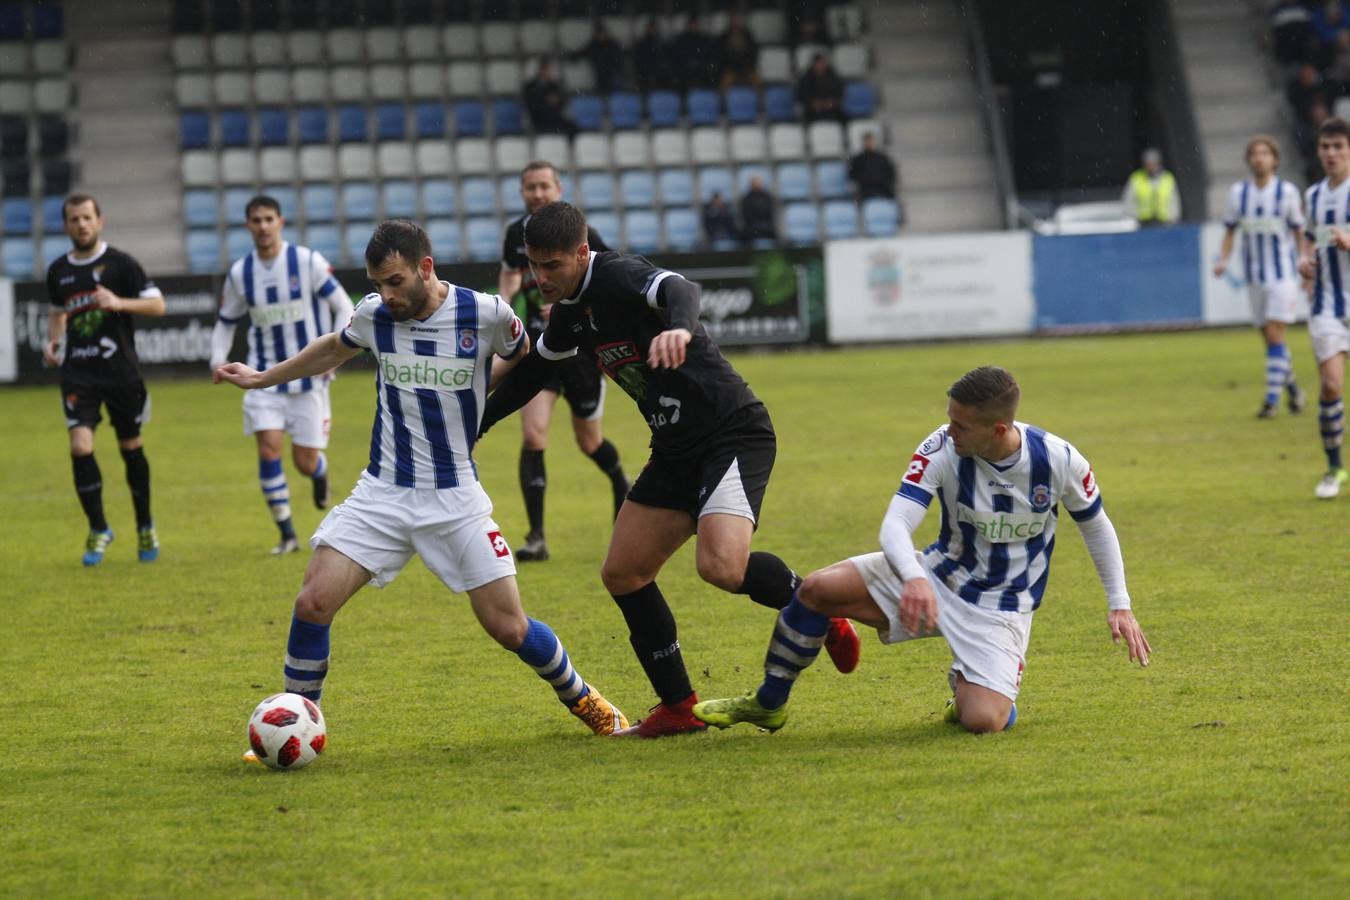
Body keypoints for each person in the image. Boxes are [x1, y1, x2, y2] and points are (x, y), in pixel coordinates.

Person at [215, 219, 629, 759]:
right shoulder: (374, 316)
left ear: (425, 269)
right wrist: (263, 377)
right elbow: (331, 349)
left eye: (394, 282)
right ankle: (290, 723)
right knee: (313, 601)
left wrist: (487, 395)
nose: (385, 295)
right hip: (382, 492)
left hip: (455, 498)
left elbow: (525, 359)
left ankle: (584, 699)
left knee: (508, 626)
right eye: (377, 284)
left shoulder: (486, 314)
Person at [480, 202, 861, 738]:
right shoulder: (569, 313)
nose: (541, 278)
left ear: (582, 253)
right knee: (623, 573)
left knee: (722, 567)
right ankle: (679, 706)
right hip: (676, 447)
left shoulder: (618, 273)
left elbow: (681, 289)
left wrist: (679, 329)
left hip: (732, 432)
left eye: (553, 266)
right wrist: (478, 422)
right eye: (534, 266)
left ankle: (820, 606)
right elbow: (534, 372)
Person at [693, 366, 1152, 735]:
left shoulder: (1059, 460)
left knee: (983, 721)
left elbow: (1097, 526)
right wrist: (914, 576)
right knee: (816, 589)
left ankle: (977, 686)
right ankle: (768, 703)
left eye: (960, 423)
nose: (949, 430)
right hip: (937, 576)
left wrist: (1120, 604)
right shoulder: (942, 448)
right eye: (949, 417)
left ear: (997, 429)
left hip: (1001, 607)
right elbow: (896, 522)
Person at [497, 161, 630, 562]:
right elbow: (510, 278)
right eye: (529, 187)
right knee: (534, 436)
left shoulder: (583, 234)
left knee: (589, 442)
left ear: (558, 188)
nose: (536, 194)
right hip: (541, 347)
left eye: (543, 186)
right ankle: (536, 537)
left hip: (584, 353)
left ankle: (620, 480)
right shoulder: (514, 235)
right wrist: (502, 312)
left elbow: (609, 279)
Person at [209, 195, 355, 554]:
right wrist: (217, 359)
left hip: (309, 378)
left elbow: (343, 306)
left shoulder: (306, 262)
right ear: (248, 226)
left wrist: (336, 353)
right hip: (262, 377)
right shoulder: (241, 273)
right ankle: (287, 534)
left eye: (268, 219)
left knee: (303, 462)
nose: (262, 226)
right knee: (268, 446)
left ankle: (318, 472)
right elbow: (226, 322)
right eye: (255, 220)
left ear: (280, 222)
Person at [43, 193, 165, 566]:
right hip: (78, 373)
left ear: (100, 221)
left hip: (121, 374)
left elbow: (158, 305)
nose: (81, 224)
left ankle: (145, 523)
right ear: (66, 225)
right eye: (74, 219)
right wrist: (53, 342)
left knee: (131, 448)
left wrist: (120, 302)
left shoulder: (121, 264)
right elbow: (57, 313)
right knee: (80, 447)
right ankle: (99, 528)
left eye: (86, 217)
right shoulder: (58, 271)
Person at [1214, 137, 1308, 420]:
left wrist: (1305, 262)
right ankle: (1294, 390)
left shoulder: (1287, 192)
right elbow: (1230, 231)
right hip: (1254, 278)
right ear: (1249, 160)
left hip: (1282, 277)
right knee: (1271, 340)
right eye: (1254, 153)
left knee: (1276, 333)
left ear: (1275, 160)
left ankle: (1271, 401)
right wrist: (1223, 259)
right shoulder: (1238, 194)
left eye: (1265, 153)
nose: (1259, 158)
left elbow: (1300, 231)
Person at [1297, 117, 1350, 498]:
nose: (1331, 154)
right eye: (1326, 147)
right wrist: (1304, 260)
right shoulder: (1313, 196)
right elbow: (1309, 240)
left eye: (1338, 147)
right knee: (1331, 384)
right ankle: (1334, 468)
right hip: (1326, 304)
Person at [1122, 147, 1181, 227]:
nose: (1151, 166)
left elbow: (1174, 202)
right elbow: (1128, 201)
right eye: (1148, 164)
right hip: (1143, 223)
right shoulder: (1137, 178)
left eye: (1153, 163)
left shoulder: (1168, 178)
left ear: (1158, 163)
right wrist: (1136, 216)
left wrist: (1173, 218)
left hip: (1165, 223)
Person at [523, 59, 576, 139]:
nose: (548, 73)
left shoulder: (554, 85)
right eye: (545, 70)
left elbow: (563, 102)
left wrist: (557, 101)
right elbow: (530, 103)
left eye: (548, 70)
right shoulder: (530, 86)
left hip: (554, 116)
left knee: (573, 128)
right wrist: (545, 100)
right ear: (539, 71)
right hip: (539, 117)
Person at [847, 132, 897, 201]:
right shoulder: (858, 159)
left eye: (871, 141)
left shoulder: (882, 158)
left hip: (883, 189)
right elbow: (852, 175)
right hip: (865, 190)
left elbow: (891, 173)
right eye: (867, 141)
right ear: (864, 143)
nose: (870, 143)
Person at [579, 21, 625, 95]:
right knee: (602, 92)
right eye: (600, 34)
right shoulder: (594, 45)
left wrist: (617, 69)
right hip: (600, 72)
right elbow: (583, 52)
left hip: (612, 72)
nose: (602, 36)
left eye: (603, 33)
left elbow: (618, 58)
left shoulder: (612, 44)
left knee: (615, 93)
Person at [795, 53, 843, 123]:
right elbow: (801, 96)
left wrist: (831, 103)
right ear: (814, 64)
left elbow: (839, 94)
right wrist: (813, 103)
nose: (821, 66)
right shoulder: (806, 78)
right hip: (812, 111)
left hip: (831, 110)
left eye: (823, 63)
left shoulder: (833, 76)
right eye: (818, 63)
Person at [718, 12, 760, 89]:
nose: (735, 22)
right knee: (724, 83)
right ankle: (722, 101)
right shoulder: (724, 36)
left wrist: (748, 66)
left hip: (746, 68)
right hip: (731, 69)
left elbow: (753, 52)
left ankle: (761, 101)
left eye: (737, 19)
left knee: (757, 82)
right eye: (733, 20)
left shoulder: (747, 35)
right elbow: (721, 55)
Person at [739, 176, 778, 246]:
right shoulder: (747, 198)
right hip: (752, 227)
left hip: (766, 226)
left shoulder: (767, 197)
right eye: (755, 184)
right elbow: (746, 215)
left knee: (775, 234)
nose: (757, 185)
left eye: (759, 183)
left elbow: (770, 213)